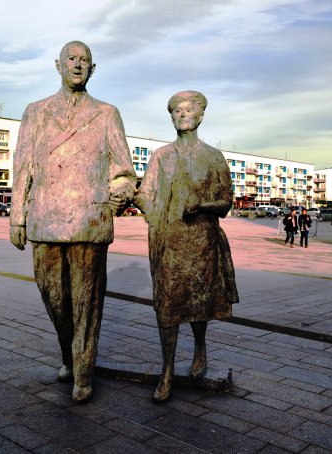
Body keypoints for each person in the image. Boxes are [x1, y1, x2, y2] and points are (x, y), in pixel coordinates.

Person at [9, 41, 136, 404]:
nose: (78, 65)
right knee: (54, 298)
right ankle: (69, 353)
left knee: (86, 302)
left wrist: (121, 190)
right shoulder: (36, 111)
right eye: (72, 59)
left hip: (89, 219)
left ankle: (83, 371)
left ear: (92, 69)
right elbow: (23, 166)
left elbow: (124, 169)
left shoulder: (106, 113)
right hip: (46, 219)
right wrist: (17, 218)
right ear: (59, 65)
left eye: (85, 61)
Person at [134, 91, 238, 402]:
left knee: (199, 301)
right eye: (177, 111)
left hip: (202, 240)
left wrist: (203, 205)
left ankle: (200, 346)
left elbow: (226, 203)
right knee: (168, 305)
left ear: (200, 116)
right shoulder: (161, 156)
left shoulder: (214, 157)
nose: (182, 115)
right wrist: (134, 197)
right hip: (168, 242)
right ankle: (167, 370)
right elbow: (146, 194)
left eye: (188, 110)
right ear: (171, 117)